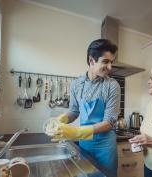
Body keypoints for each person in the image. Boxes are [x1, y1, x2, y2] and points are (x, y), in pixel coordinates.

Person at [51, 39, 120, 177]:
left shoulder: (113, 86)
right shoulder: (76, 84)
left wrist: (77, 132)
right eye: (105, 61)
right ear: (91, 60)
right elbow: (74, 111)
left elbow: (109, 122)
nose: (110, 67)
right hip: (85, 146)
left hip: (105, 147)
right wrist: (62, 119)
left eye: (111, 62)